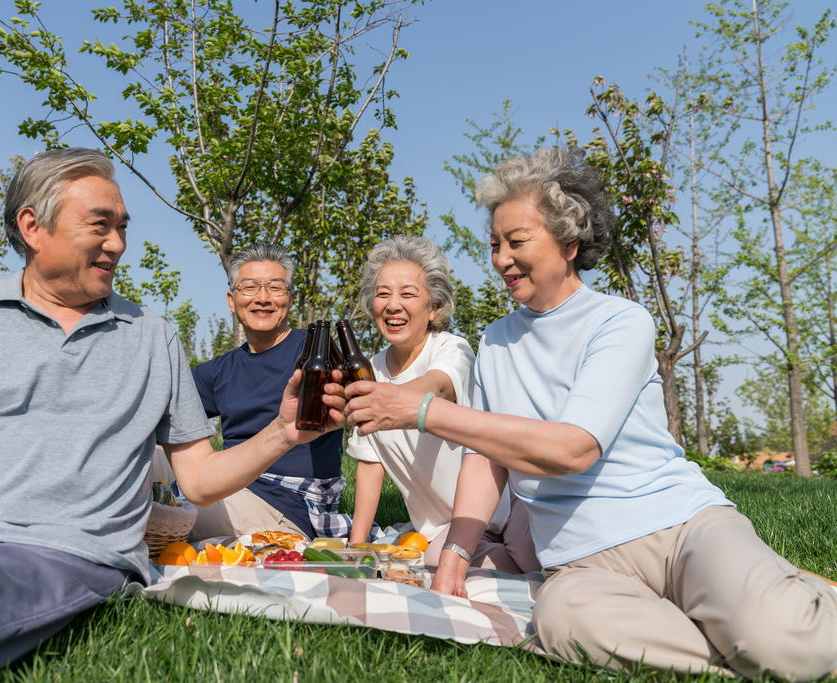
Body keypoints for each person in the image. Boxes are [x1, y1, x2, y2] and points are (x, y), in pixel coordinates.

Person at [0, 148, 346, 682]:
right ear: (32, 227)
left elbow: (201, 481)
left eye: (122, 228)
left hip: (57, 547)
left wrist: (284, 432)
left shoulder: (153, 337)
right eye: (101, 225)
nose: (117, 243)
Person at [343, 147, 837, 680]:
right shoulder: (496, 341)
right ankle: (740, 646)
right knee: (561, 619)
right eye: (494, 245)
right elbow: (484, 462)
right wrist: (457, 553)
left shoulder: (620, 321)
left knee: (798, 650)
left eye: (516, 241)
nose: (501, 258)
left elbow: (573, 448)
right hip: (581, 562)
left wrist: (425, 412)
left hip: (680, 528)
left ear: (570, 243)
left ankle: (781, 619)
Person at [346, 236, 538, 573]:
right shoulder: (369, 372)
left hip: (507, 504)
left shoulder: (451, 349)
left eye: (408, 294)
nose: (393, 305)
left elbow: (439, 388)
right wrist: (356, 546)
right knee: (437, 561)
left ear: (433, 307)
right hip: (450, 525)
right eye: (383, 293)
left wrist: (384, 397)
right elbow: (370, 464)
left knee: (545, 558)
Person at [185, 241, 352, 541]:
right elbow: (162, 410)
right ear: (231, 299)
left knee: (152, 513)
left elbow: (349, 395)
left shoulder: (313, 353)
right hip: (229, 486)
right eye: (249, 287)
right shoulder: (219, 370)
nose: (262, 298)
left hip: (285, 503)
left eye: (275, 288)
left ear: (289, 298)